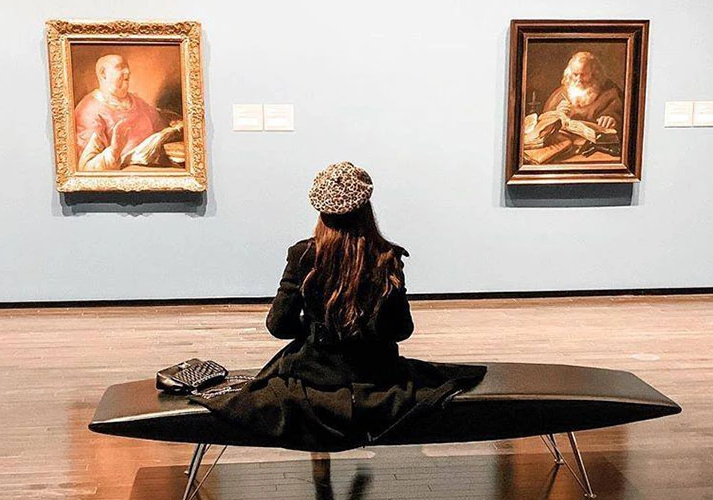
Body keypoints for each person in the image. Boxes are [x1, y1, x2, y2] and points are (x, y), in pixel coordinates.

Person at [190, 162, 487, 452]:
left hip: (316, 375)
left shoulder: (303, 255)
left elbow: (278, 325)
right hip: (378, 374)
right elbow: (400, 330)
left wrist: (315, 328)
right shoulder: (387, 258)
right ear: (366, 209)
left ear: (321, 211)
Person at [73, 54, 184, 171]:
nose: (128, 71)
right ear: (103, 73)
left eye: (127, 67)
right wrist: (115, 150)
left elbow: (159, 123)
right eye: (120, 67)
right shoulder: (88, 111)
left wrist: (174, 124)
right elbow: (86, 168)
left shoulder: (135, 101)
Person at [543, 51, 624, 133]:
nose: (579, 79)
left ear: (594, 74)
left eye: (583, 75)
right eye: (575, 74)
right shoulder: (560, 94)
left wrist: (611, 119)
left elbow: (621, 118)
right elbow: (543, 122)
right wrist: (557, 114)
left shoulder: (610, 93)